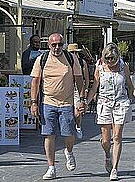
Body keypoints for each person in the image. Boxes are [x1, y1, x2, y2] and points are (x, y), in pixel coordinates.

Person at [30, 33, 85, 180]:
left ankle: (69, 151)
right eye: (54, 44)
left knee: (68, 134)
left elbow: (79, 80)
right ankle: (51, 167)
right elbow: (35, 82)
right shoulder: (42, 59)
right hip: (48, 102)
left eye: (60, 44)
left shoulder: (71, 58)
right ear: (48, 45)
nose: (57, 47)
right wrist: (33, 103)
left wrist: (81, 99)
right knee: (49, 135)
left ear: (63, 45)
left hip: (67, 102)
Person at [85, 43, 134, 181]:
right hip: (104, 103)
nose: (110, 61)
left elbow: (129, 84)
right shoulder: (99, 68)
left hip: (120, 102)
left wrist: (132, 95)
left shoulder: (123, 67)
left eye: (113, 58)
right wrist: (86, 103)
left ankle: (115, 168)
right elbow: (94, 88)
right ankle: (108, 156)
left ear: (117, 56)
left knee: (117, 136)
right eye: (107, 58)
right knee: (106, 140)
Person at [66, 43, 91, 139]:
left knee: (77, 112)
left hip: (78, 89)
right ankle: (69, 128)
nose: (73, 54)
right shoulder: (65, 61)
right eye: (71, 52)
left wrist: (85, 89)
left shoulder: (82, 62)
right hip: (67, 88)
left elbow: (86, 78)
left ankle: (78, 126)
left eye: (75, 52)